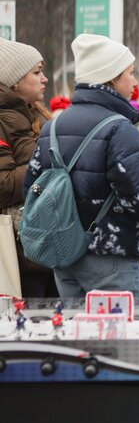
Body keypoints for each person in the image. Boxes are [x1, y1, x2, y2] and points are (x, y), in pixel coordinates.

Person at [24, 33, 139, 304]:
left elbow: (32, 189)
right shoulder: (119, 128)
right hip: (111, 259)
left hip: (65, 257)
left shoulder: (52, 128)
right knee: (125, 342)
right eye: (130, 73)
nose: (135, 82)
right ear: (111, 78)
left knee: (80, 341)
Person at [0, 38, 57, 296]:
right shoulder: (6, 118)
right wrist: (48, 164)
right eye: (36, 72)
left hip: (35, 243)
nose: (44, 79)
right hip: (17, 248)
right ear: (14, 81)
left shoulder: (29, 114)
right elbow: (3, 185)